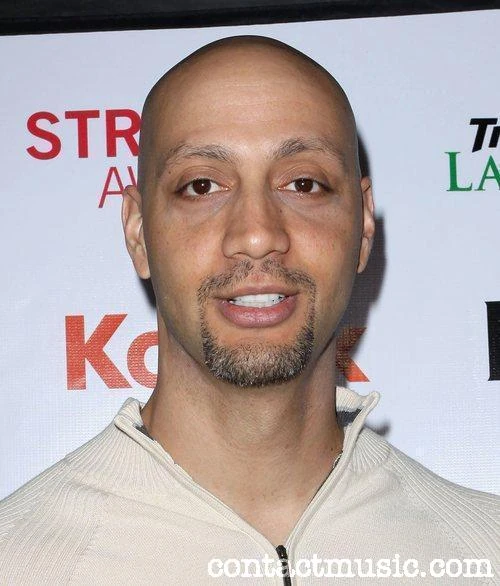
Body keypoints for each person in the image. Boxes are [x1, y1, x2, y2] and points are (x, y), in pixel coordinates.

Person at [0, 36, 498, 584]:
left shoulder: (486, 551)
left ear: (362, 226)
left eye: (303, 184)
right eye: (202, 186)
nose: (257, 235)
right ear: (138, 233)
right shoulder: (18, 561)